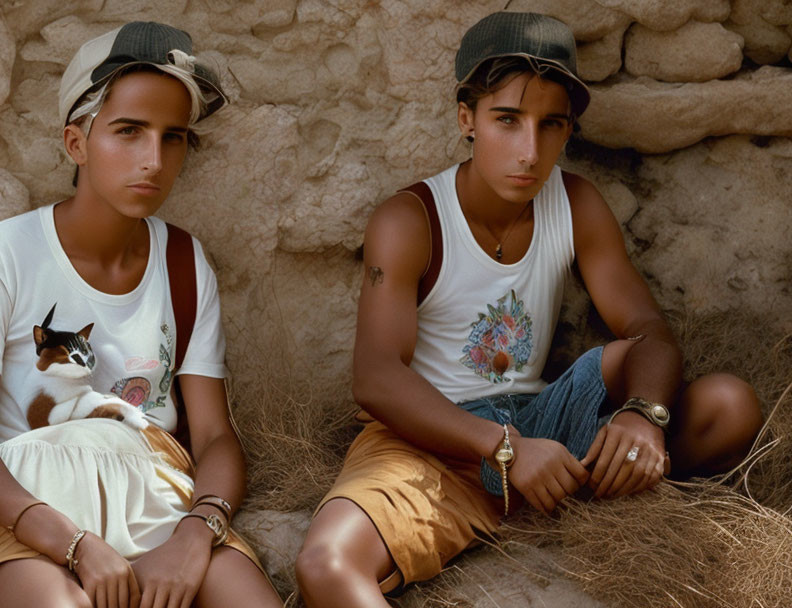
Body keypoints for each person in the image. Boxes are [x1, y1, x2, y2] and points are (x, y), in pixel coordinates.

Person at [294, 11, 764, 607]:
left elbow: (648, 331)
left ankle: (573, 489)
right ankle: (481, 509)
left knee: (728, 405)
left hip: (546, 433)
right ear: (467, 118)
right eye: (507, 121)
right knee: (327, 566)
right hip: (436, 444)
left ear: (568, 132)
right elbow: (377, 376)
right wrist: (501, 447)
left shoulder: (574, 203)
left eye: (550, 126)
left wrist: (645, 416)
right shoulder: (411, 219)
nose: (529, 149)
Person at [0, 21, 282, 608]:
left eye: (173, 137)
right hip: (27, 514)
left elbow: (217, 436)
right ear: (76, 143)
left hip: (159, 503)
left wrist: (197, 535)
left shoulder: (182, 261)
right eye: (129, 131)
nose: (153, 158)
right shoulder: (5, 254)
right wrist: (71, 543)